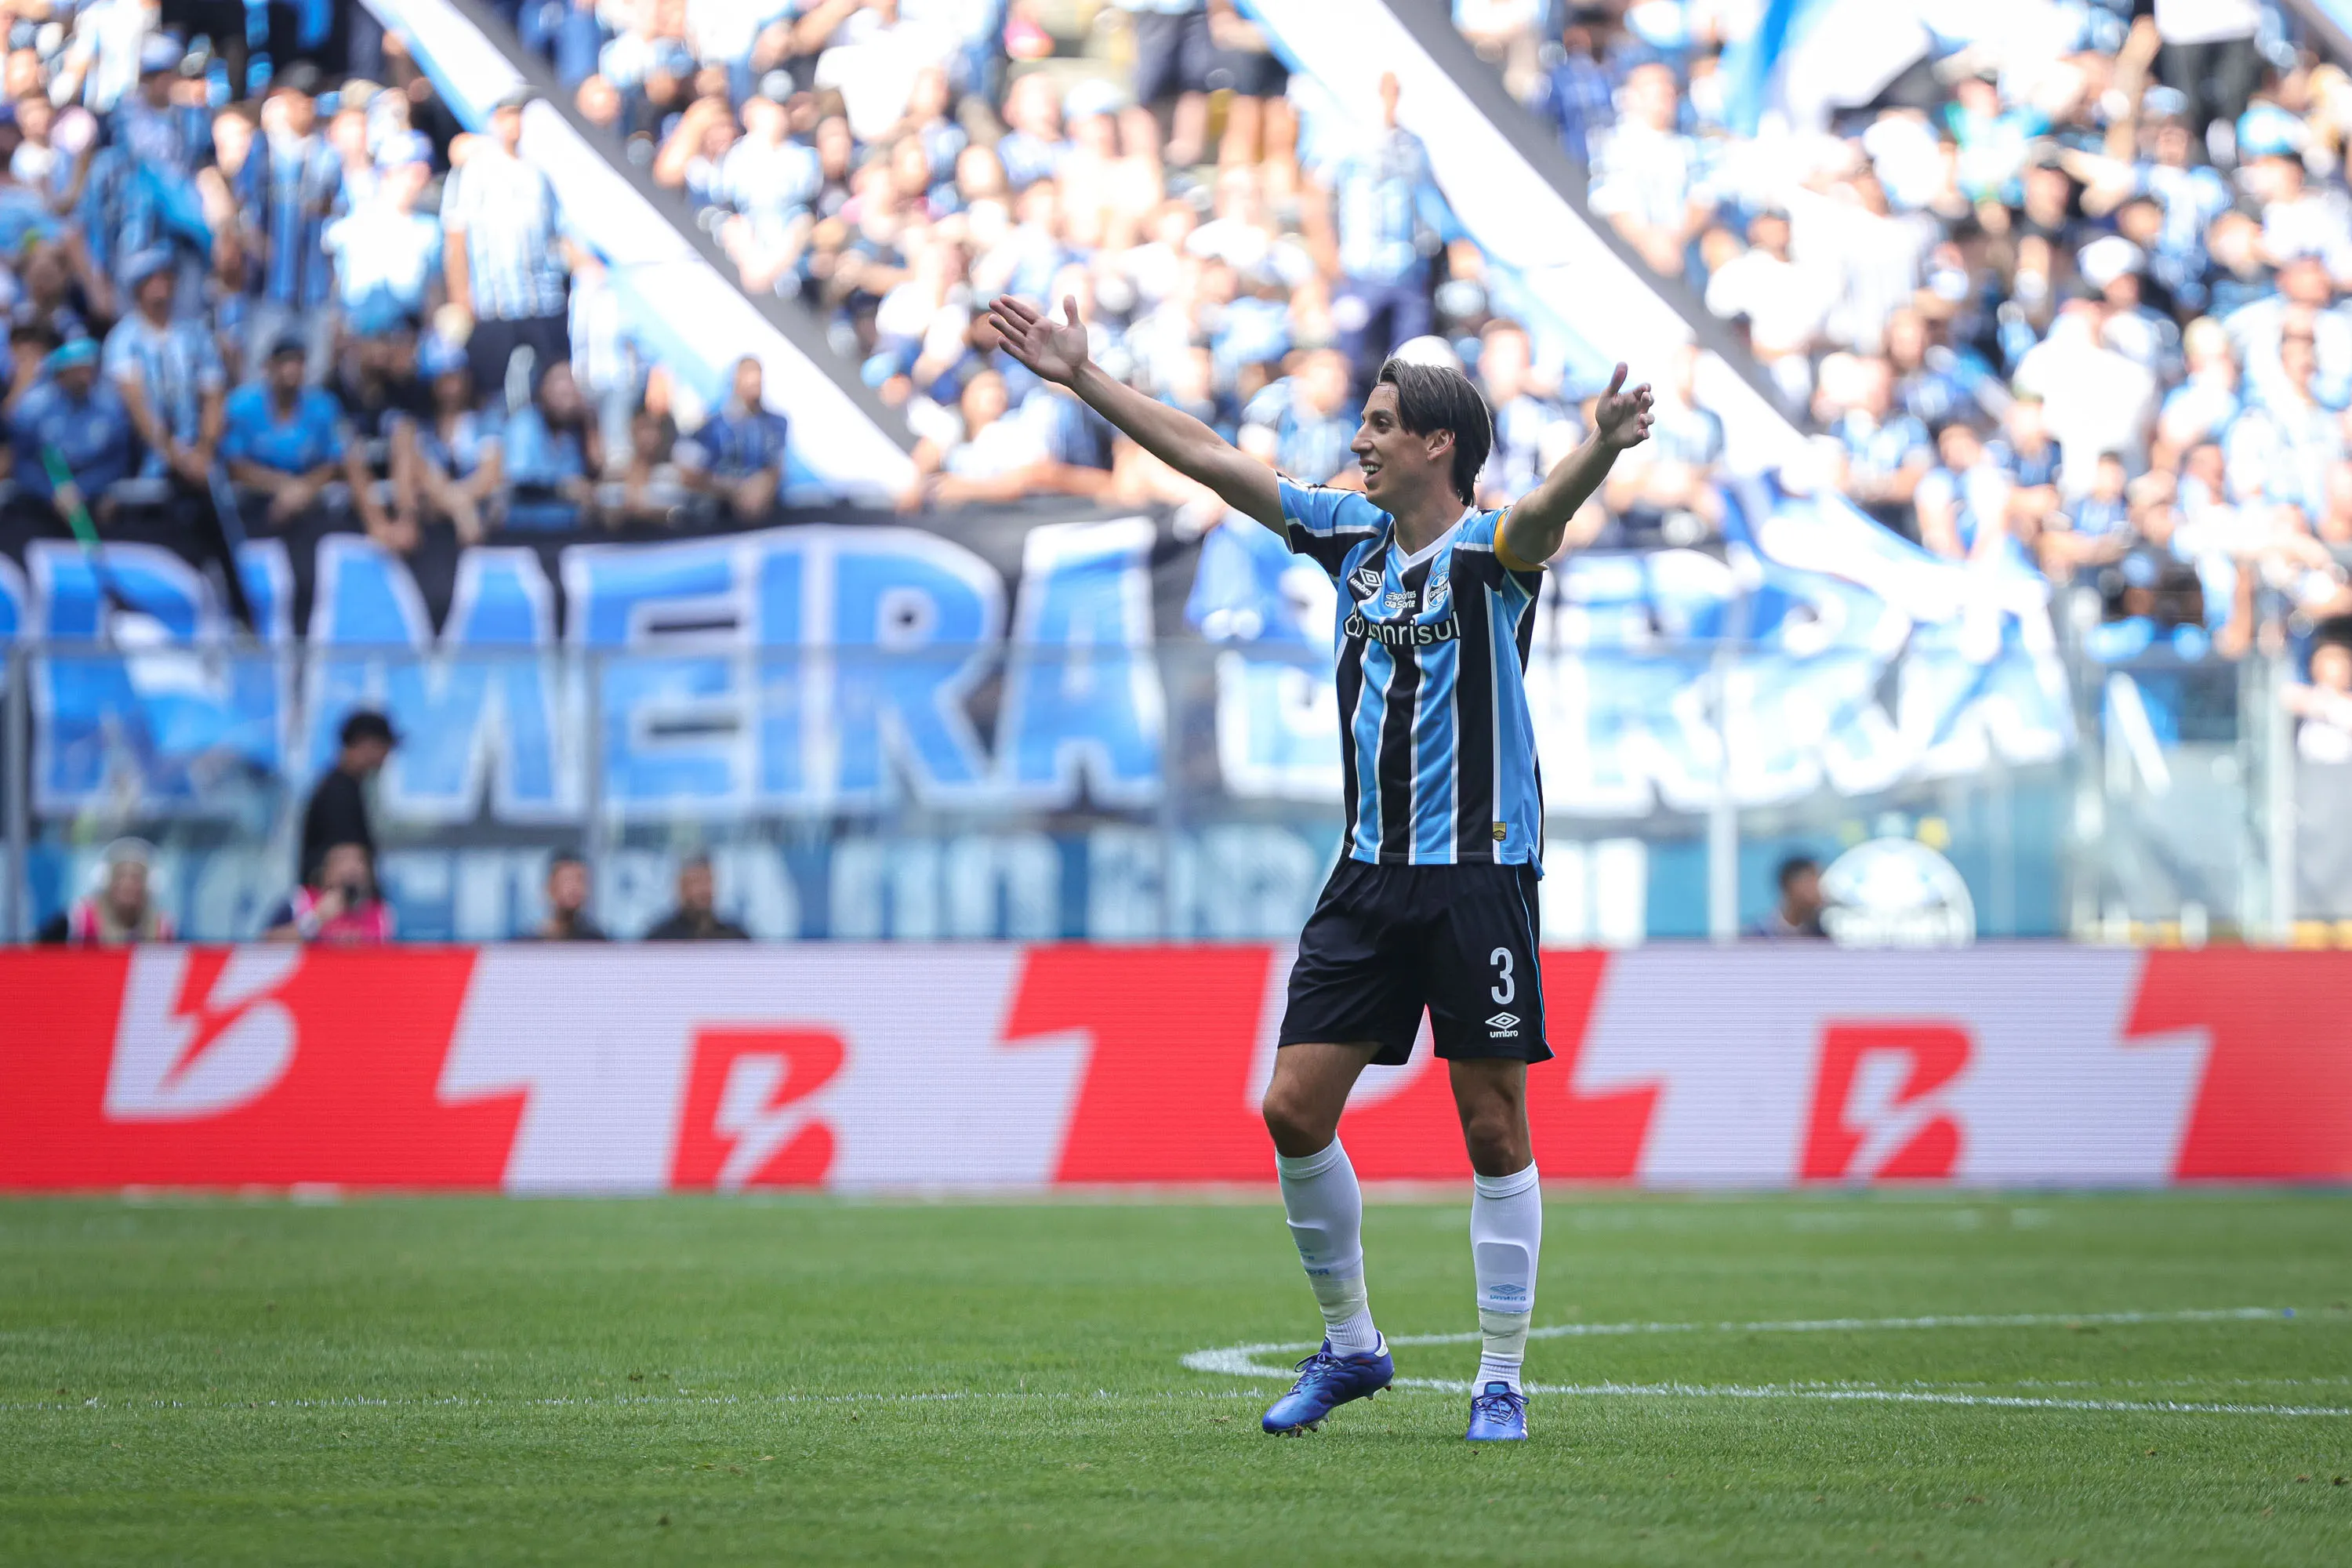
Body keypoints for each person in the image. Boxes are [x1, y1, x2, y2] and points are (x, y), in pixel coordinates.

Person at [983, 288, 1655, 1443]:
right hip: (1367, 875)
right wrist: (1084, 379)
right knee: (1293, 1109)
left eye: (1385, 422)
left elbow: (1543, 516)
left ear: (1438, 442)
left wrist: (1595, 444)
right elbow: (1210, 460)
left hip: (1479, 874)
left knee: (1493, 1126)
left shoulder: (1493, 554)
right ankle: (1354, 1349)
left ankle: (1500, 1376)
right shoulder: (1346, 531)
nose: (1363, 437)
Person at [442, 87, 592, 399]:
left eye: (519, 116)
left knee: (553, 392)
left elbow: (558, 235)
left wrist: (590, 269)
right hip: (495, 306)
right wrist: (461, 298)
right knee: (495, 395)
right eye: (508, 115)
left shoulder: (539, 173)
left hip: (543, 302)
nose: (515, 124)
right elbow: (456, 238)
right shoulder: (473, 170)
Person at [677, 354, 788, 521]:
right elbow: (688, 474)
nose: (754, 385)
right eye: (748, 378)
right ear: (736, 381)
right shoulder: (712, 425)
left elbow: (775, 467)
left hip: (763, 511)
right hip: (719, 511)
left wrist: (762, 488)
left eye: (757, 379)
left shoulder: (775, 424)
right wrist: (733, 490)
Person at [301, 709, 396, 887]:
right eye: (384, 747)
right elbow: (345, 859)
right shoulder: (339, 792)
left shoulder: (346, 786)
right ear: (365, 743)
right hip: (333, 908)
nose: (386, 757)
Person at [38, 837, 175, 943]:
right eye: (121, 876)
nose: (128, 885)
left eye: (136, 878)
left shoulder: (162, 928)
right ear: (106, 880)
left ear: (149, 884)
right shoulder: (77, 921)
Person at [263, 840, 395, 944]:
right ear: (326, 872)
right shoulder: (300, 902)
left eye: (359, 861)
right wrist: (316, 920)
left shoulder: (381, 913)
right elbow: (264, 943)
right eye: (342, 860)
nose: (352, 868)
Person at [642, 854, 750, 940]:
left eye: (707, 881)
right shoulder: (660, 940)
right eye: (696, 882)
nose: (703, 890)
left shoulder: (735, 938)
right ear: (681, 887)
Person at [535, 849, 608, 940]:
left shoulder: (595, 941)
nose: (575, 888)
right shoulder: (526, 945)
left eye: (580, 880)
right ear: (550, 887)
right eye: (567, 880)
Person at [1751, 855, 1828, 939]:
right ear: (1790, 885)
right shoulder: (1759, 935)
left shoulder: (1825, 932)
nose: (1820, 888)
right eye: (1813, 880)